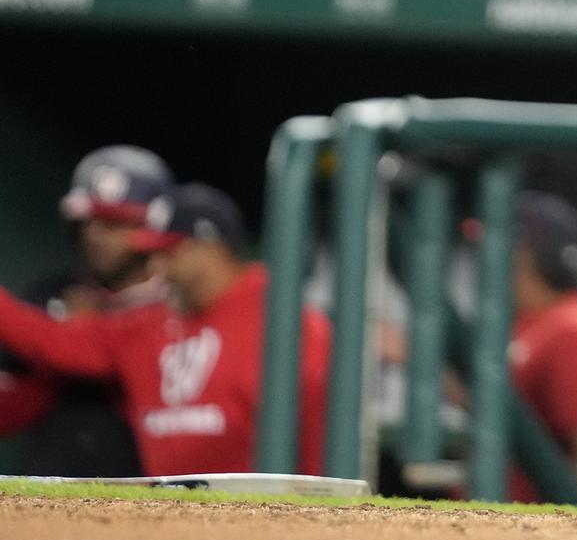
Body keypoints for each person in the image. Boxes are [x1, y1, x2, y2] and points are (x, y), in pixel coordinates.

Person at [0, 182, 332, 476]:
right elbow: (49, 340)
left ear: (209, 247)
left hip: (268, 518)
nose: (157, 268)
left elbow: (320, 430)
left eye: (169, 253)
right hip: (167, 517)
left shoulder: (284, 319)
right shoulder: (145, 325)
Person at [0, 146, 171, 476]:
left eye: (115, 223)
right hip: (49, 492)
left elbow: (97, 359)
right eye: (88, 222)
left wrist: (80, 332)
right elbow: (19, 398)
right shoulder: (51, 295)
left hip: (150, 498)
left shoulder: (178, 305)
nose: (95, 235)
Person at [506, 192, 577, 503]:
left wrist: (574, 535)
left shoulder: (572, 327)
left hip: (528, 534)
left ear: (529, 255)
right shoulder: (526, 320)